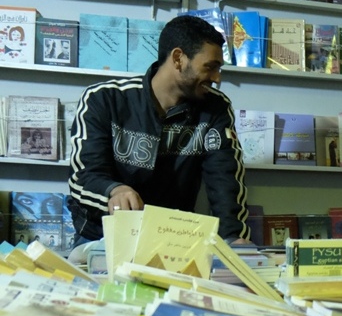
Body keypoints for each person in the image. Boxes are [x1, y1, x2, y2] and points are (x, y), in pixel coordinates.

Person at [67, 14, 250, 245]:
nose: (217, 78)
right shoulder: (104, 99)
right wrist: (114, 190)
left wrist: (232, 237)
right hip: (101, 237)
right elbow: (83, 176)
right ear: (178, 59)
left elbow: (225, 178)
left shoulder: (216, 108)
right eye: (210, 67)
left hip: (171, 239)